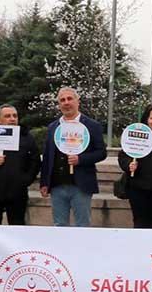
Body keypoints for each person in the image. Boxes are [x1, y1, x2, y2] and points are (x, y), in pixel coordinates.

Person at [39, 87, 107, 227]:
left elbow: (101, 152)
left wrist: (80, 159)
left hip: (81, 185)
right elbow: (47, 156)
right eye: (62, 100)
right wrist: (44, 182)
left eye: (70, 99)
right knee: (59, 225)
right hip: (57, 185)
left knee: (82, 226)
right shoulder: (53, 127)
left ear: (78, 102)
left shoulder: (92, 126)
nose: (66, 103)